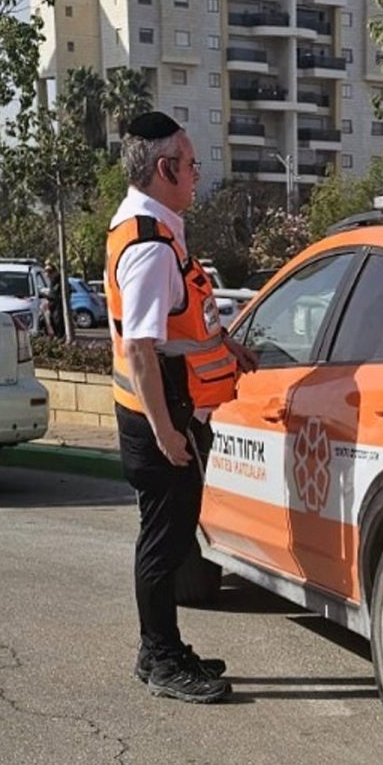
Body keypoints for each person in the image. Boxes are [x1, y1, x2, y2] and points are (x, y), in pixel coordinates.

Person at [106, 111, 257, 704]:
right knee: (165, 543)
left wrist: (226, 345)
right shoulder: (148, 245)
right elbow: (141, 350)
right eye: (192, 164)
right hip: (161, 419)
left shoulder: (156, 229)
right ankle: (162, 658)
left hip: (165, 412)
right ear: (165, 168)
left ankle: (160, 648)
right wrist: (168, 433)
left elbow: (176, 329)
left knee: (163, 537)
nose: (198, 174)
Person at [44, 262, 66, 338]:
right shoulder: (52, 281)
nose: (48, 275)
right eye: (46, 272)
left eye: (49, 272)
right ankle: (57, 336)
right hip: (53, 305)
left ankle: (60, 337)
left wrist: (47, 297)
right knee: (52, 321)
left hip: (58, 306)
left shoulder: (59, 281)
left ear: (54, 272)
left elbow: (56, 294)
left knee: (58, 322)